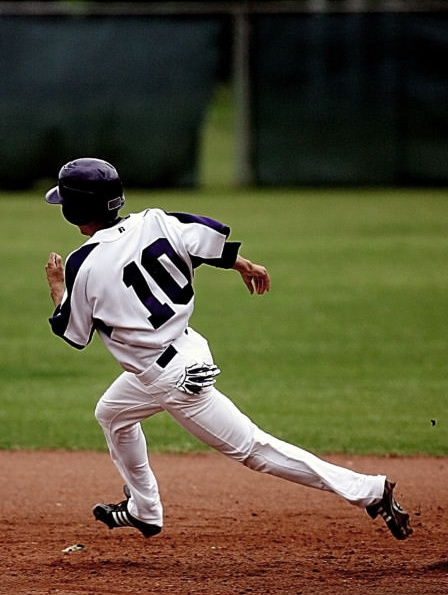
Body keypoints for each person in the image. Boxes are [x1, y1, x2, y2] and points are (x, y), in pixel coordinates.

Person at [43, 157, 412, 541]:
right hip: (183, 352)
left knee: (254, 449)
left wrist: (57, 286)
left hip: (168, 378)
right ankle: (145, 510)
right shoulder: (156, 220)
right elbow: (205, 240)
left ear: (74, 210)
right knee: (112, 414)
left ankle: (369, 490)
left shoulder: (81, 264)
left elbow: (74, 333)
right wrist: (243, 264)